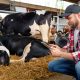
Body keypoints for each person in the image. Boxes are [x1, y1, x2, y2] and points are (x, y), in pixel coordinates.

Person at [48, 4, 80, 80]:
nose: (67, 22)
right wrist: (60, 49)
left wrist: (60, 54)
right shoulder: (73, 30)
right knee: (52, 65)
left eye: (69, 18)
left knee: (79, 66)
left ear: (78, 15)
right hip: (76, 61)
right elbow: (70, 49)